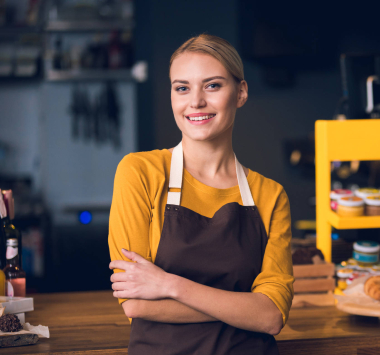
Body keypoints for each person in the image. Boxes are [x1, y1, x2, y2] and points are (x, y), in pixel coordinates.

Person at [108, 33, 294, 354]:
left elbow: (271, 317)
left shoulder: (270, 195)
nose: (195, 101)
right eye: (182, 88)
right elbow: (136, 304)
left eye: (212, 85)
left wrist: (169, 285)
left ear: (241, 93)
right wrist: (244, 310)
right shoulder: (140, 172)